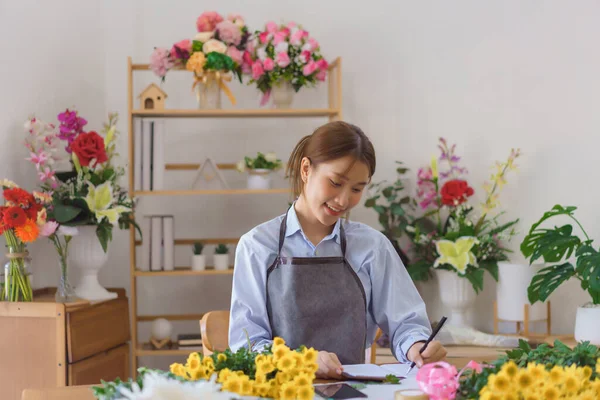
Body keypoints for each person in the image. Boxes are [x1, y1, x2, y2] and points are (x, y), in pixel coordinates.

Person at [228, 121, 447, 379]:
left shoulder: (372, 247)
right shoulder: (256, 247)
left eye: (356, 189)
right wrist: (302, 361)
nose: (344, 200)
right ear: (306, 169)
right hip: (280, 390)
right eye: (335, 182)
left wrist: (416, 347)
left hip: (353, 391)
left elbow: (406, 323)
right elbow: (247, 344)